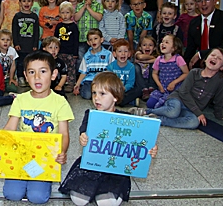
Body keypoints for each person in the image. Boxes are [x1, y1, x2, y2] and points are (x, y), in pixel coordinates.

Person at [59, 71, 158, 206]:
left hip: (115, 171)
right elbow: (84, 130)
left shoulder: (126, 119)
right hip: (91, 166)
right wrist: (83, 137)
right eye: (94, 93)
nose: (96, 98)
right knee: (79, 200)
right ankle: (92, 191)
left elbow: (139, 140)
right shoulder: (91, 115)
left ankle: (101, 192)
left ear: (115, 97)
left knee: (108, 203)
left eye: (102, 94)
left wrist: (150, 149)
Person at [0, 50, 74, 204]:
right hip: (21, 156)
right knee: (12, 194)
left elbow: (64, 134)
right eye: (31, 72)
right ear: (25, 76)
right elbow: (9, 128)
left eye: (43, 71)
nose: (37, 77)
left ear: (54, 75)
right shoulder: (20, 99)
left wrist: (62, 151)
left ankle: (39, 184)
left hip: (44, 158)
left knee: (38, 198)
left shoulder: (60, 102)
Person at [131, 48, 223, 129]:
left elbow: (219, 97)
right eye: (212, 55)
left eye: (219, 58)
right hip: (178, 99)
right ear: (205, 59)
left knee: (194, 122)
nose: (214, 58)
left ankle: (158, 120)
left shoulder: (221, 79)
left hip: (192, 108)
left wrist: (219, 114)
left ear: (222, 67)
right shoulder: (194, 72)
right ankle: (147, 111)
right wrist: (198, 113)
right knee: (173, 112)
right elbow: (183, 92)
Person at [147, 35, 189, 109]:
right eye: (162, 42)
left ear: (174, 48)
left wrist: (174, 83)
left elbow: (186, 73)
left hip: (175, 89)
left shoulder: (178, 58)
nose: (162, 44)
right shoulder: (159, 59)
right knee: (150, 104)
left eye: (166, 42)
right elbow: (154, 73)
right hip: (162, 88)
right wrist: (159, 85)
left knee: (169, 105)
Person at [73, 29, 113, 100]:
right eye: (90, 40)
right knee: (87, 95)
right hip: (90, 81)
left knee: (108, 92)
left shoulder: (108, 54)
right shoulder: (86, 56)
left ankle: (98, 93)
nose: (93, 41)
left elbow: (113, 70)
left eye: (95, 39)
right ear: (88, 42)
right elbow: (83, 72)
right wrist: (77, 85)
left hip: (103, 81)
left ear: (101, 40)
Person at [12, 0, 39, 87]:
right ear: (20, 3)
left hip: (31, 45)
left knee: (30, 62)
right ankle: (20, 77)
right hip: (21, 44)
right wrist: (16, 43)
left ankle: (29, 77)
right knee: (20, 62)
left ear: (32, 3)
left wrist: (35, 44)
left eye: (29, 1)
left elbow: (36, 32)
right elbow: (14, 31)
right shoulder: (17, 16)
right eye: (24, 1)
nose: (26, 3)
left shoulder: (34, 16)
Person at [75, 0, 104, 69]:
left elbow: (99, 17)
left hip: (94, 39)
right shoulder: (79, 5)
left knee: (94, 57)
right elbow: (76, 18)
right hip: (82, 38)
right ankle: (80, 76)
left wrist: (89, 8)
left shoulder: (98, 5)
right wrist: (84, 7)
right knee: (81, 58)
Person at [107, 39, 141, 107]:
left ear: (129, 54)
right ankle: (129, 101)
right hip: (114, 90)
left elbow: (130, 83)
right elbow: (109, 82)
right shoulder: (110, 67)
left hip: (125, 90)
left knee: (138, 91)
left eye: (125, 51)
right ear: (114, 54)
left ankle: (120, 101)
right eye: (120, 51)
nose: (123, 53)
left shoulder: (131, 67)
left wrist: (123, 89)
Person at [54, 1, 79, 93]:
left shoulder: (73, 26)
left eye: (67, 12)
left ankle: (71, 83)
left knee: (71, 68)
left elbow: (76, 40)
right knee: (60, 67)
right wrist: (55, 50)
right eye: (63, 13)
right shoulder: (59, 26)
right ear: (60, 14)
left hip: (70, 52)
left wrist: (75, 53)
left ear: (71, 14)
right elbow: (55, 39)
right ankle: (60, 82)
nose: (65, 15)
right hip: (60, 51)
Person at [134, 36, 158, 101]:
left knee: (154, 65)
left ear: (155, 48)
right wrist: (152, 58)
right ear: (140, 47)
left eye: (150, 45)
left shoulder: (157, 56)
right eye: (144, 45)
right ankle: (144, 90)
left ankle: (151, 88)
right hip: (140, 82)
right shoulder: (138, 53)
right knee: (136, 67)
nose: (147, 47)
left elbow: (157, 60)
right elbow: (140, 57)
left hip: (151, 81)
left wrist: (146, 61)